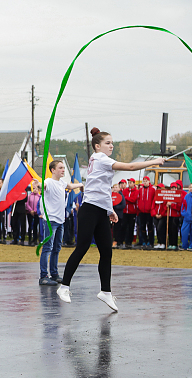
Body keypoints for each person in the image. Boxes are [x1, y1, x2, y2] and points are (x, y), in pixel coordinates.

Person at [56, 128, 164, 311]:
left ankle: (105, 292)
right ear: (97, 146)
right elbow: (129, 167)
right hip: (89, 210)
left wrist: (109, 210)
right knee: (82, 248)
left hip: (100, 211)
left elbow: (103, 189)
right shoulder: (100, 158)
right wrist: (156, 161)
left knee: (107, 251)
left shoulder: (99, 160)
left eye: (112, 142)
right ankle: (64, 287)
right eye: (107, 143)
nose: (111, 145)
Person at [39, 161, 83, 286]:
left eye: (64, 167)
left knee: (57, 248)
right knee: (47, 248)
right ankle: (43, 276)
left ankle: (54, 274)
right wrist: (38, 184)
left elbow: (70, 186)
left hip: (60, 220)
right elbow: (44, 186)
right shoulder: (48, 181)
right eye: (61, 168)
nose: (63, 170)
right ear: (53, 170)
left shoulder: (62, 183)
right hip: (50, 220)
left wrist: (81, 184)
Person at [137, 176, 156, 249]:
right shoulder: (140, 189)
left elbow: (154, 199)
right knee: (142, 227)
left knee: (150, 226)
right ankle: (144, 240)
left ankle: (151, 242)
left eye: (146, 181)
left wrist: (152, 208)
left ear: (149, 181)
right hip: (142, 211)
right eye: (144, 181)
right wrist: (139, 207)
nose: (145, 182)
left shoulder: (152, 189)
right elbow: (138, 199)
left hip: (149, 211)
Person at [180, 182, 192, 251]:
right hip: (187, 219)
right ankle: (184, 245)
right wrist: (184, 214)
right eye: (190, 187)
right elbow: (183, 207)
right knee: (184, 232)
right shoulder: (186, 197)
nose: (191, 189)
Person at [122, 178, 139, 249]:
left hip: (132, 212)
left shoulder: (136, 191)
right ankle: (125, 241)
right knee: (125, 226)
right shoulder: (125, 190)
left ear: (134, 183)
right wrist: (127, 198)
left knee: (131, 227)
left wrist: (126, 198)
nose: (129, 184)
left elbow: (133, 200)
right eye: (128, 182)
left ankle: (129, 241)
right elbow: (122, 198)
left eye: (131, 182)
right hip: (125, 211)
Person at [152, 183, 168, 250]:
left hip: (162, 216)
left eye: (160, 188)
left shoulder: (165, 197)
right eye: (157, 188)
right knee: (157, 229)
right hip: (156, 215)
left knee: (160, 229)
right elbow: (153, 206)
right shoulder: (155, 197)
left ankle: (163, 242)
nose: (158, 189)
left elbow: (165, 207)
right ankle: (159, 242)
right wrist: (155, 214)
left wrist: (161, 214)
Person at [26, 181, 41, 246]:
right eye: (34, 189)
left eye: (36, 189)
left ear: (38, 190)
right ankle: (29, 239)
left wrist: (35, 210)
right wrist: (30, 210)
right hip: (30, 213)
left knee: (35, 226)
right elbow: (27, 204)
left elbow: (40, 205)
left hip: (36, 213)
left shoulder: (40, 197)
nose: (35, 190)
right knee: (30, 226)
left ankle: (35, 239)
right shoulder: (29, 196)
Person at [111, 184, 125, 249]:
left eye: (116, 187)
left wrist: (116, 207)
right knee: (111, 229)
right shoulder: (110, 195)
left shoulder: (121, 196)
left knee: (118, 229)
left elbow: (123, 205)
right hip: (110, 214)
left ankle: (117, 241)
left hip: (119, 214)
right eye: (114, 187)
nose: (115, 189)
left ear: (119, 188)